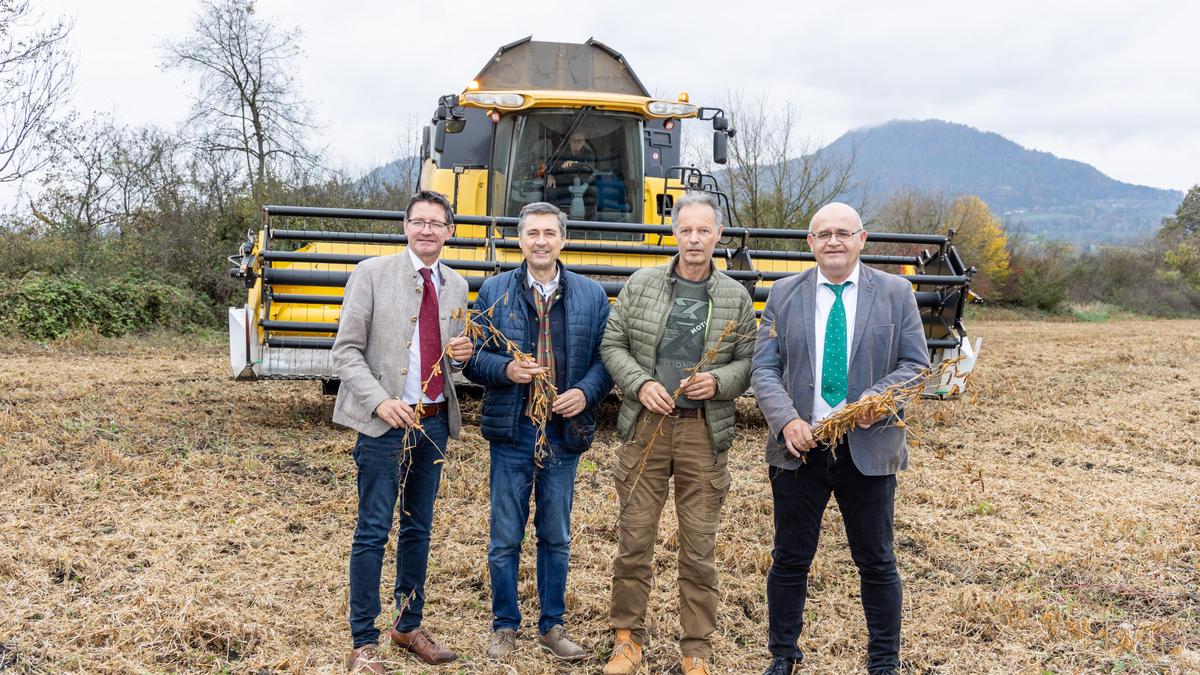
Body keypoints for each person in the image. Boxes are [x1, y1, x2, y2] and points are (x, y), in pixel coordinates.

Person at [749, 203, 930, 675]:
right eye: (823, 234)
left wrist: (874, 401)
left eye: (842, 233)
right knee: (790, 558)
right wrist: (786, 420)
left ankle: (883, 661)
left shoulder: (895, 293)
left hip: (867, 450)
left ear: (862, 239)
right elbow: (764, 368)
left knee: (877, 560)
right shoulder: (783, 293)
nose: (833, 241)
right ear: (810, 243)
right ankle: (783, 656)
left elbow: (915, 367)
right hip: (798, 450)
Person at [598, 190, 757, 675]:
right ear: (674, 232)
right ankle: (627, 640)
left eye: (703, 230)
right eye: (686, 229)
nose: (694, 239)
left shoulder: (736, 296)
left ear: (718, 236)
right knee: (635, 539)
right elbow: (613, 343)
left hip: (702, 434)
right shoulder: (642, 285)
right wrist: (640, 383)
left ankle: (696, 649)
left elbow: (749, 363)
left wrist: (720, 381)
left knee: (699, 546)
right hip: (647, 429)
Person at [332, 190, 475, 673]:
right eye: (419, 221)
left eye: (437, 223)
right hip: (383, 425)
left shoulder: (456, 285)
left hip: (433, 421)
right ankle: (363, 643)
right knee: (373, 529)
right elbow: (345, 352)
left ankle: (408, 625)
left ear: (450, 231)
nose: (428, 230)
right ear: (405, 227)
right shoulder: (371, 275)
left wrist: (463, 357)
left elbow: (448, 354)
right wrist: (379, 401)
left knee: (418, 526)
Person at [463, 201, 613, 662]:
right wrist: (506, 368)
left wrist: (585, 394)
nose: (541, 241)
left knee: (556, 534)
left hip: (564, 434)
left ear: (562, 239)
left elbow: (607, 361)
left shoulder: (591, 295)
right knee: (505, 535)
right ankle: (505, 626)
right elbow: (471, 358)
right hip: (513, 432)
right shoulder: (494, 291)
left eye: (549, 232)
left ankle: (552, 625)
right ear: (520, 240)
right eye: (532, 233)